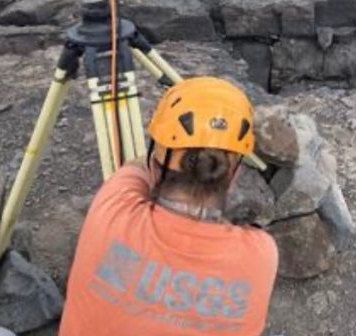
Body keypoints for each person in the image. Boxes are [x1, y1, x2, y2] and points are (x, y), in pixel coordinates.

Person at [59, 77, 279, 336]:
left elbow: (136, 167)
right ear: (233, 174)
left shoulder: (113, 207)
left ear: (157, 163)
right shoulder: (260, 256)